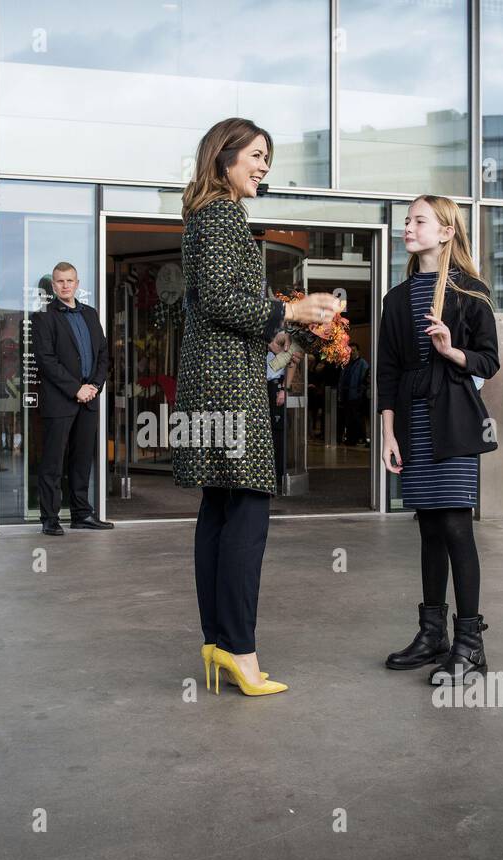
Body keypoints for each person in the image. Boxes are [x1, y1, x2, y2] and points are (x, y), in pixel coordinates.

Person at [175, 117, 336, 697]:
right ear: (225, 157)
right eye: (257, 155)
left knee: (220, 510)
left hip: (212, 378)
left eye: (269, 157)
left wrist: (273, 326)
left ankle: (220, 641)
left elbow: (218, 302)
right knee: (246, 514)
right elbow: (221, 298)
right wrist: (289, 314)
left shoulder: (205, 213)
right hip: (227, 387)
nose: (265, 166)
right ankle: (238, 649)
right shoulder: (221, 214)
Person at [379, 195, 499, 685]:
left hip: (453, 422)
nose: (408, 227)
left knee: (455, 528)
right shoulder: (396, 297)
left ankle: (470, 645)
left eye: (418, 220)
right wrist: (389, 432)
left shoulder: (472, 293)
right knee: (429, 528)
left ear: (446, 231)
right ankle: (433, 636)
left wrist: (453, 352)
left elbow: (488, 361)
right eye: (407, 221)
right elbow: (386, 371)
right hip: (413, 423)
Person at [34, 261, 113, 535]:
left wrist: (94, 385)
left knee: (82, 460)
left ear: (77, 284)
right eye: (59, 281)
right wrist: (75, 388)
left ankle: (81, 514)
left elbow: (103, 353)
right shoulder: (43, 317)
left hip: (89, 398)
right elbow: (46, 360)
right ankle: (50, 518)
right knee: (53, 462)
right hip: (60, 400)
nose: (65, 285)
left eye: (70, 281)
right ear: (53, 285)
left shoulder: (90, 314)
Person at [266, 330, 299, 486]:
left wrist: (284, 389)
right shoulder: (260, 330)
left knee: (277, 432)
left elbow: (292, 363)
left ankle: (278, 474)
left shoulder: (287, 336)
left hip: (276, 385)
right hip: (260, 383)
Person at [338, 342, 369, 445]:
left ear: (358, 351)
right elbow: (342, 379)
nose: (352, 353)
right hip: (347, 395)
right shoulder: (347, 364)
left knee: (357, 419)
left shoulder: (362, 363)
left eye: (354, 350)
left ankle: (360, 438)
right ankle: (350, 439)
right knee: (349, 419)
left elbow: (364, 380)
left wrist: (360, 393)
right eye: (350, 351)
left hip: (356, 396)